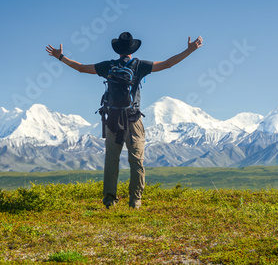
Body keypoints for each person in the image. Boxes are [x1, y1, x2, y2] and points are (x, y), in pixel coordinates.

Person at [46, 32, 203, 209]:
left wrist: (60, 56)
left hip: (112, 119)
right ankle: (135, 202)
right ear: (132, 49)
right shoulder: (140, 65)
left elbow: (81, 68)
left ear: (118, 50)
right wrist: (190, 50)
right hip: (133, 119)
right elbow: (168, 64)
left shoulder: (108, 66)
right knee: (136, 161)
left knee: (111, 161)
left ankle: (109, 202)